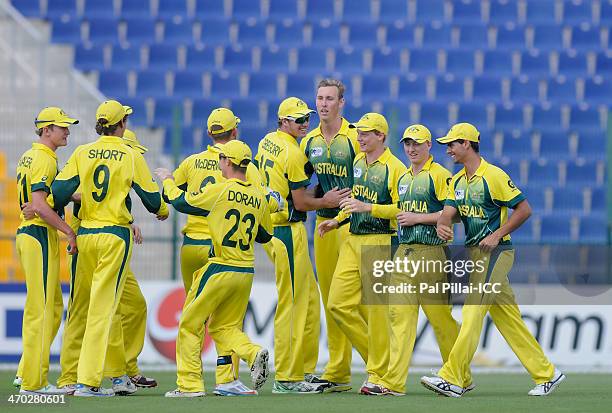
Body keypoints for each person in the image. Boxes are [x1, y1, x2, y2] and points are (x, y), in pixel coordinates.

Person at [420, 123, 565, 397]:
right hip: (477, 255)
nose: (448, 149)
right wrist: (442, 222)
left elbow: (524, 209)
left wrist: (498, 234)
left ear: (467, 143)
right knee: (508, 319)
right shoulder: (459, 180)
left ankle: (452, 377)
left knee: (473, 311)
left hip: (497, 253)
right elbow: (449, 210)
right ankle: (548, 374)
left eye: (452, 144)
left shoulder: (493, 175)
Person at [52, 100, 168, 397]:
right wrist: (161, 210)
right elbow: (152, 200)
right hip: (114, 235)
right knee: (103, 310)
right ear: (122, 125)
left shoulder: (82, 151)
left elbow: (59, 192)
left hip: (85, 233)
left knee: (79, 307)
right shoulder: (130, 155)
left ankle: (69, 377)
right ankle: (88, 382)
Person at [172, 107, 279, 395]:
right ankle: (251, 353)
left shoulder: (219, 186)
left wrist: (167, 182)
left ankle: (190, 385)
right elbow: (265, 234)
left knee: (190, 322)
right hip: (245, 270)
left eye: (222, 159)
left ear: (228, 161)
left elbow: (183, 203)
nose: (219, 161)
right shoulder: (257, 193)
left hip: (218, 264)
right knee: (225, 327)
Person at [361, 124, 473, 395]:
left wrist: (418, 218)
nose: (411, 149)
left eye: (417, 144)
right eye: (408, 144)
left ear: (428, 146)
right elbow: (400, 210)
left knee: (441, 321)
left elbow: (455, 213)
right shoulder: (403, 177)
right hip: (404, 251)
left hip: (431, 253)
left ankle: (461, 375)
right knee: (399, 317)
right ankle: (393, 382)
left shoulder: (440, 175)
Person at [254, 97, 350, 394]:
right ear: (283, 121)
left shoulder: (267, 141)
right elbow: (301, 201)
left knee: (308, 301)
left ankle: (304, 369)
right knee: (294, 306)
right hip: (286, 230)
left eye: (306, 118)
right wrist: (326, 201)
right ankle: (288, 377)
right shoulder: (293, 153)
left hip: (275, 227)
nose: (305, 123)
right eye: (298, 120)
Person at [318, 113, 407, 395]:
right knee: (337, 305)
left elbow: (402, 211)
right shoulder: (357, 162)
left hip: (380, 242)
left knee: (377, 314)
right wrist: (337, 220)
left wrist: (369, 208)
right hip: (353, 240)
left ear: (381, 136)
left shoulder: (395, 168)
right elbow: (353, 202)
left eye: (366, 133)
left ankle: (378, 374)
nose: (359, 137)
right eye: (358, 133)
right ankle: (380, 362)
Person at [299, 79, 359, 392]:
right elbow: (299, 184)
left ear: (341, 103)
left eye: (330, 99)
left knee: (351, 300)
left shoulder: (354, 137)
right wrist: (321, 199)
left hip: (353, 225)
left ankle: (381, 364)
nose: (323, 104)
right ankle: (338, 370)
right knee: (330, 300)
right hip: (323, 225)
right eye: (320, 98)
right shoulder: (309, 141)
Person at [15, 107, 79, 395]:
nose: (66, 131)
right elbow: (39, 204)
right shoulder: (44, 158)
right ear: (46, 130)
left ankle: (25, 372)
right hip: (38, 233)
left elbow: (40, 199)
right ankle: (34, 383)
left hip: (35, 232)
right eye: (61, 127)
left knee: (52, 308)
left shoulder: (33, 156)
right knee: (41, 310)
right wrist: (68, 230)